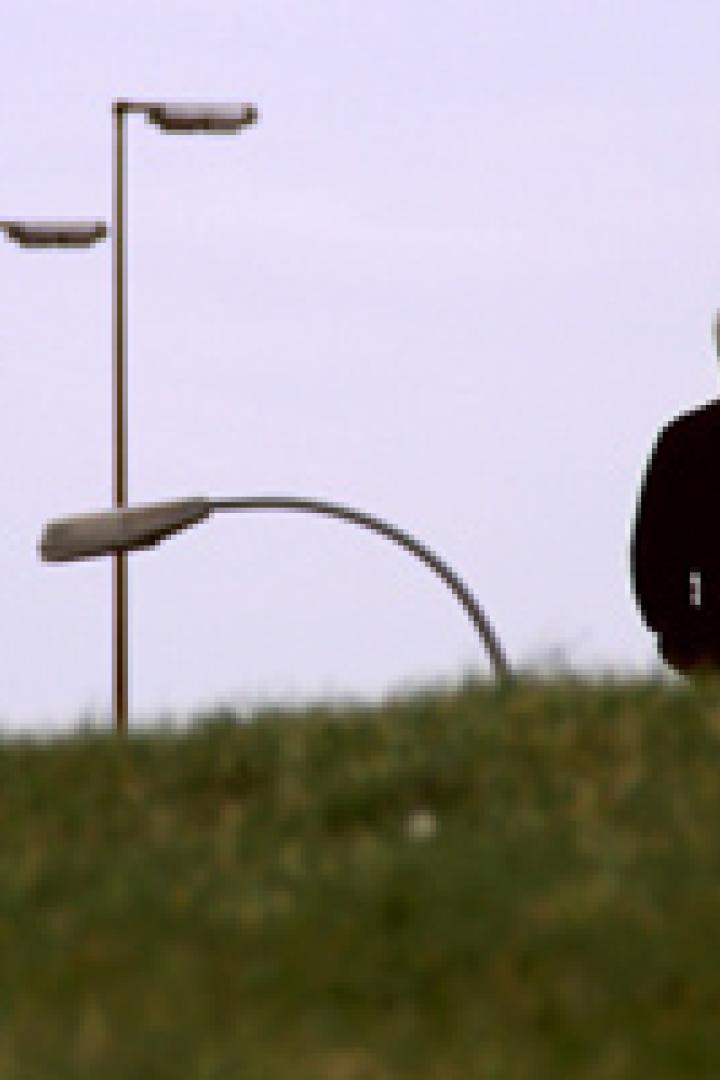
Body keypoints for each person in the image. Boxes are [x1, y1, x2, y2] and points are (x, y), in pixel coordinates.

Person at [629, 313, 720, 676]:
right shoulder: (686, 444)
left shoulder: (685, 442)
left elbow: (654, 558)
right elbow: (656, 558)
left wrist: (680, 636)